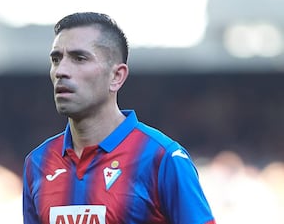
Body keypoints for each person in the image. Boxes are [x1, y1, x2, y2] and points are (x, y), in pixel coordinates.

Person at [22, 12, 216, 224]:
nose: (61, 71)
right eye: (56, 59)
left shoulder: (162, 158)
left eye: (79, 58)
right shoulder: (38, 162)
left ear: (117, 76)